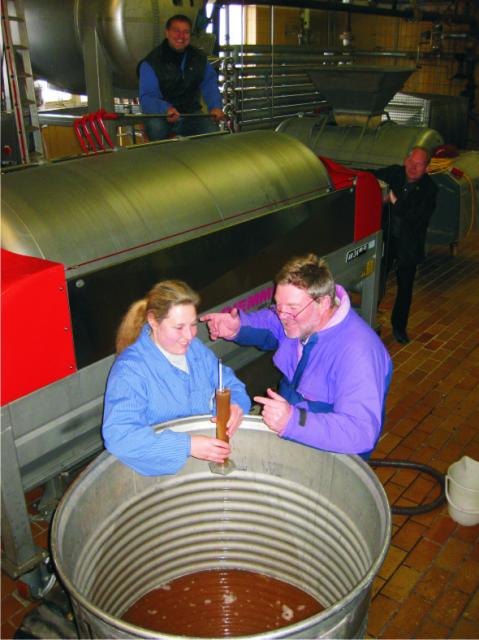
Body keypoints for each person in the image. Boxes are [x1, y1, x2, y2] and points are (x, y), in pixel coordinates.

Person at [201, 255, 392, 460]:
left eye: (292, 309)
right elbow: (272, 322)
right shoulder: (301, 319)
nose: (283, 316)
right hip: (295, 426)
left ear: (323, 303)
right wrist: (238, 327)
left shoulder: (359, 353)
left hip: (331, 452)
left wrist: (293, 421)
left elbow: (360, 432)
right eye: (278, 305)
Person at [102, 280, 251, 475]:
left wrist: (236, 404)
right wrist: (187, 446)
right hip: (162, 471)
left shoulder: (195, 350)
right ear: (153, 321)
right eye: (179, 327)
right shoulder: (130, 370)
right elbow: (120, 436)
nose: (189, 336)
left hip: (205, 453)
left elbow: (229, 382)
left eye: (193, 325)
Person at [372, 147, 438, 344]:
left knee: (405, 288)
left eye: (419, 164)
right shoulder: (394, 173)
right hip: (387, 239)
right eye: (411, 162)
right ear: (405, 160)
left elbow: (414, 217)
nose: (412, 167)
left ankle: (399, 327)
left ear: (426, 168)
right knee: (376, 281)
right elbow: (370, 176)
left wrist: (393, 199)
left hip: (409, 245)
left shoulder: (430, 189)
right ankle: (369, 320)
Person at [137, 14, 225, 141]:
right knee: (156, 129)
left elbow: (209, 84)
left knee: (213, 133)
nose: (181, 36)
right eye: (176, 31)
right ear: (167, 33)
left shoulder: (199, 59)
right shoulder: (151, 63)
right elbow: (147, 97)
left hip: (191, 114)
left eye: (186, 32)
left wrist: (215, 106)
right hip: (162, 116)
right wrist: (165, 109)